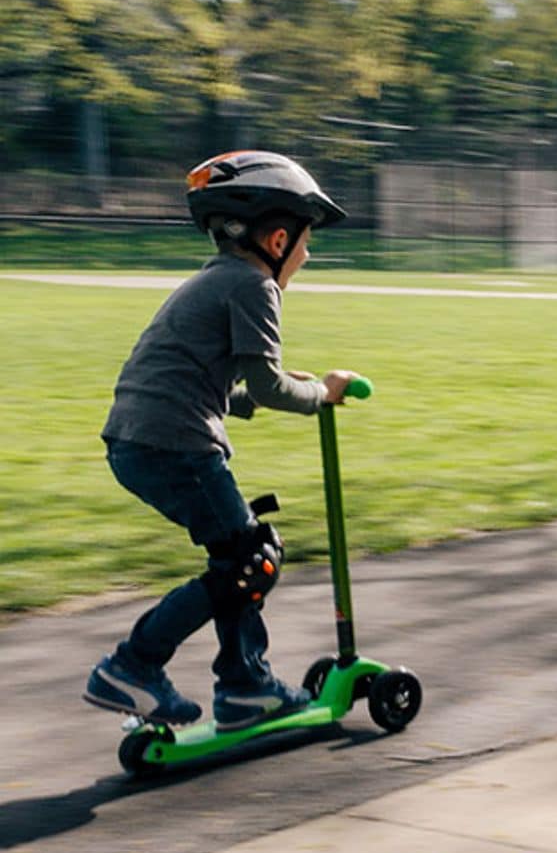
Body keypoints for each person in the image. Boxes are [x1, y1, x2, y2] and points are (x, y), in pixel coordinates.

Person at [84, 150, 357, 730]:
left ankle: (242, 685)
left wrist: (261, 394)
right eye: (306, 244)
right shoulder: (256, 287)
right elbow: (266, 383)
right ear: (278, 240)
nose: (306, 257)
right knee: (251, 561)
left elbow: (207, 384)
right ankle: (138, 666)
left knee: (240, 556)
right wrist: (322, 394)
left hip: (138, 437)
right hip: (175, 443)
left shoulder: (213, 280)